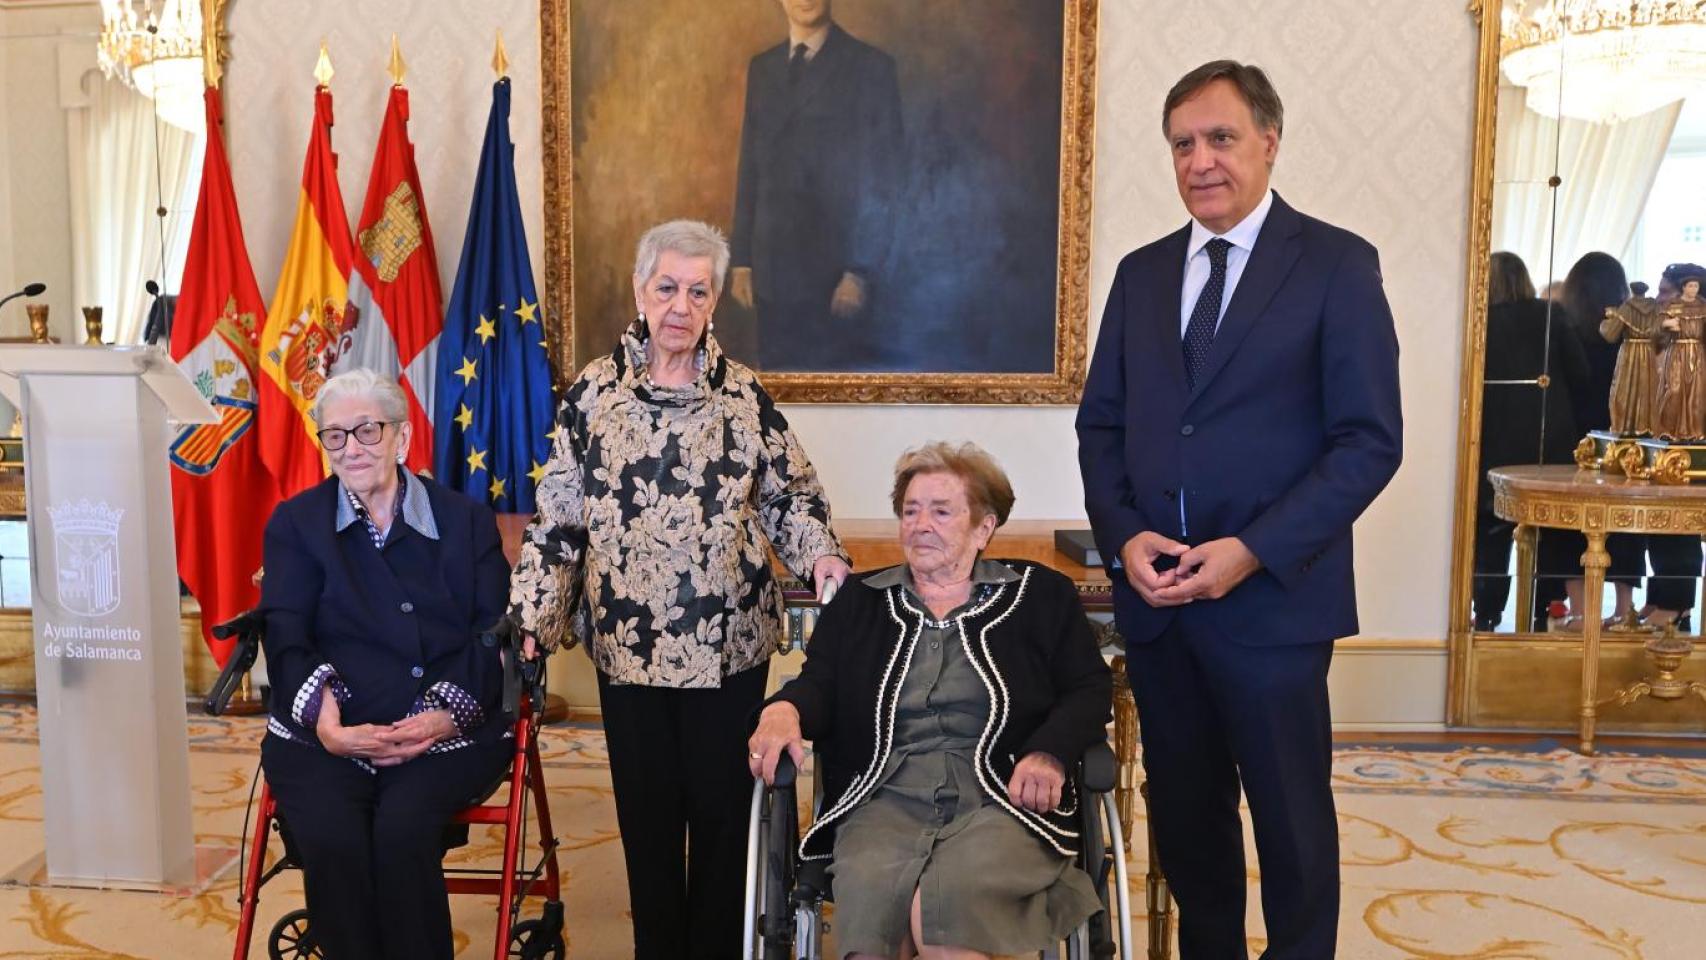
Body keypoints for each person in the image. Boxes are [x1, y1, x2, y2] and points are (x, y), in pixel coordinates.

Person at [1074, 61, 1402, 957]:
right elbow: (1101, 427)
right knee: (1188, 829)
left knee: (1293, 832)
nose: (1200, 160)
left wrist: (1253, 549)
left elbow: (1369, 441)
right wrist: (1122, 534)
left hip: (1273, 606)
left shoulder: (1336, 264)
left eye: (1220, 138)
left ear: (1269, 141)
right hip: (1161, 609)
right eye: (1183, 143)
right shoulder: (1142, 276)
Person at [509, 219, 852, 959]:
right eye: (667, 288)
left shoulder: (743, 397)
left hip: (729, 651)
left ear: (715, 301)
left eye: (698, 292)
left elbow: (790, 498)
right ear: (640, 290)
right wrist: (533, 616)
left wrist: (821, 559)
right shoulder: (594, 395)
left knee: (727, 822)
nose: (680, 306)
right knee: (649, 825)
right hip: (629, 655)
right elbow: (560, 519)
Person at [748, 441, 1112, 960]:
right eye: (911, 510)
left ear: (983, 527)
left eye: (942, 512)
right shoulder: (863, 600)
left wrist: (1049, 751)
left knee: (942, 915)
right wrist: (784, 709)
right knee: (875, 907)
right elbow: (819, 683)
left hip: (1003, 799)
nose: (921, 524)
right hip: (885, 798)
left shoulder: (1039, 595)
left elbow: (1089, 688)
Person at [257, 368, 512, 960]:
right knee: (331, 836)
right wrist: (327, 724)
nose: (352, 449)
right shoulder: (296, 523)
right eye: (336, 436)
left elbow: (492, 631)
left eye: (367, 431)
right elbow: (287, 632)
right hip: (328, 729)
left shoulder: (464, 520)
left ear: (402, 438)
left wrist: (445, 717)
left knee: (401, 833)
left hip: (444, 726)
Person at [728, 0, 903, 371]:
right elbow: (751, 166)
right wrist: (742, 259)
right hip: (772, 273)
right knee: (779, 400)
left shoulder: (870, 68)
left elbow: (883, 181)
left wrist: (860, 271)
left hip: (836, 280)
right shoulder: (763, 68)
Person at [1473, 252, 1591, 630]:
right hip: (1550, 437)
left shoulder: (1480, 319)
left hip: (1492, 436)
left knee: (1491, 531)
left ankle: (1488, 613)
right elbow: (1580, 373)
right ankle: (1546, 610)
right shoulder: (1551, 314)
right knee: (1555, 530)